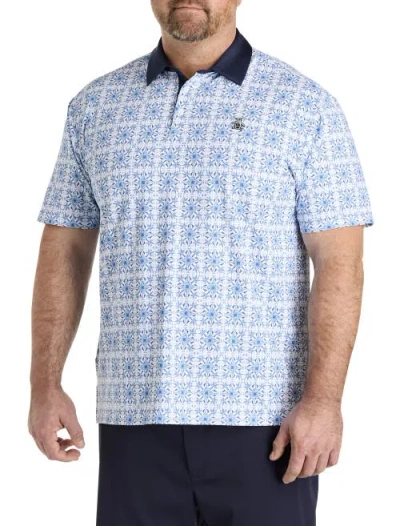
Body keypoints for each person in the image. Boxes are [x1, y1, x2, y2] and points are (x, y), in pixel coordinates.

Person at [28, 1, 375, 525]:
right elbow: (65, 248)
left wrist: (324, 401)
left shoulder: (305, 107)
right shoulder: (95, 108)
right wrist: (45, 384)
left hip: (266, 422)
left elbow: (340, 263)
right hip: (133, 415)